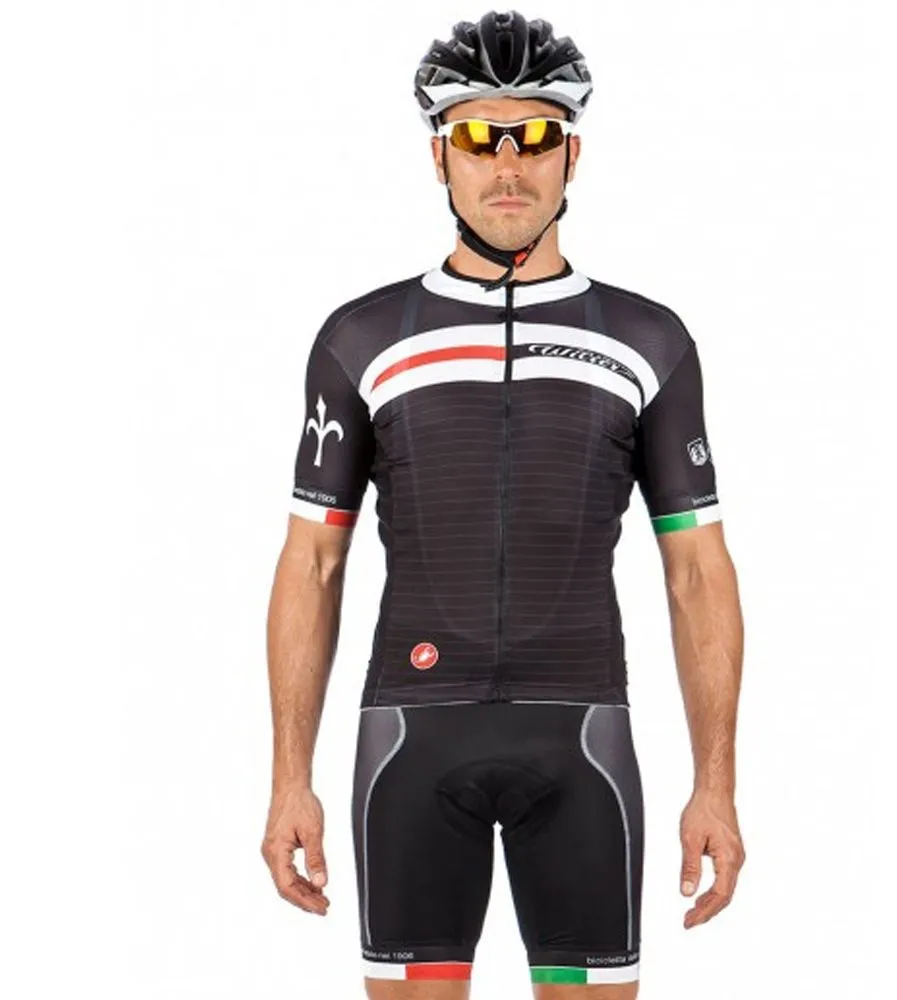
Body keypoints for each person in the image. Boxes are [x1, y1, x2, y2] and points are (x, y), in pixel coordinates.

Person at [261, 10, 745, 999]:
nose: (509, 163)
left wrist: (717, 785)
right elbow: (312, 561)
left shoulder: (649, 342)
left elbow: (697, 570)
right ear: (440, 156)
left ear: (574, 154)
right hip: (409, 738)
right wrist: (286, 779)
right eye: (481, 136)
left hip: (583, 742)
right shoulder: (362, 339)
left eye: (536, 135)